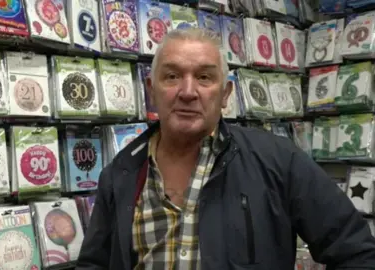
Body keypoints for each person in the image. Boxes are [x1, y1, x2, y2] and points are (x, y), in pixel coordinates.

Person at [76, 28, 375, 269]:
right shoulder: (120, 175)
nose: (188, 92)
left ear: (226, 94)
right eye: (172, 76)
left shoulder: (279, 161)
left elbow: (356, 252)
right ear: (151, 91)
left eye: (204, 77)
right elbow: (94, 264)